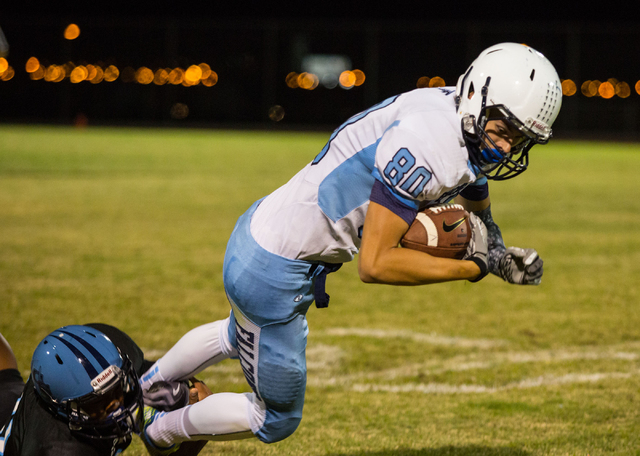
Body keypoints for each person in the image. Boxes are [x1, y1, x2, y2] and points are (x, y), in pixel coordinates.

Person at [136, 42, 562, 453]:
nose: (506, 147)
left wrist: (498, 248)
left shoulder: (449, 109)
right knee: (277, 418)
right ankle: (160, 433)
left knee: (237, 333)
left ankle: (146, 387)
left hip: (263, 229)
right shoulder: (427, 146)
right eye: (503, 130)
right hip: (275, 268)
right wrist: (474, 268)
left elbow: (473, 178)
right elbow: (376, 264)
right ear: (476, 96)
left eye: (518, 140)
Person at [0, 325, 209, 456]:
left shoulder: (109, 354)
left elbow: (152, 375)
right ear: (65, 411)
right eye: (97, 403)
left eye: (115, 389)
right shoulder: (61, 448)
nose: (115, 404)